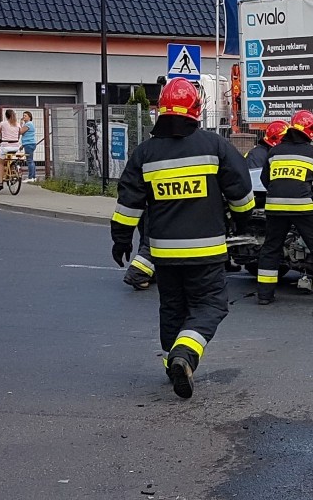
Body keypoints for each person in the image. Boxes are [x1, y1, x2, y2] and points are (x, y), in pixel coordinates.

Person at [110, 78, 255, 399]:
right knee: (210, 306)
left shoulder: (145, 153)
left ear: (160, 109)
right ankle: (184, 356)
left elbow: (128, 202)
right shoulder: (215, 147)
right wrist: (241, 218)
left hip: (162, 254)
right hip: (206, 252)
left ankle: (172, 361)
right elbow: (242, 194)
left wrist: (121, 240)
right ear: (197, 110)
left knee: (173, 307)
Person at [256, 110, 313, 306]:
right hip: (302, 207)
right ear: (311, 131)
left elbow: (265, 180)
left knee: (271, 248)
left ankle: (265, 295)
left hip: (274, 206)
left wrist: (279, 195)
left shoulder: (274, 152)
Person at [0, 109, 22, 191]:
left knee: (0, 163)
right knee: (10, 159)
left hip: (5, 146)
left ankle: (0, 182)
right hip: (16, 146)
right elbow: (18, 136)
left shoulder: (3, 124)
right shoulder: (18, 125)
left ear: (6, 116)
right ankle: (12, 171)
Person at [20, 111, 37, 182]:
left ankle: (31, 177)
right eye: (23, 115)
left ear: (29, 117)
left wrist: (20, 124)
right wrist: (22, 145)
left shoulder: (28, 124)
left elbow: (20, 132)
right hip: (29, 144)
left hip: (29, 144)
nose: (24, 117)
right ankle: (33, 177)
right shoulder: (28, 124)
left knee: (29, 161)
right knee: (31, 160)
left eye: (25, 116)